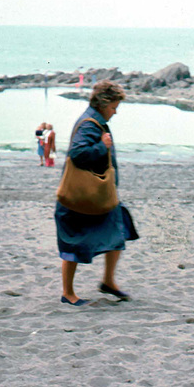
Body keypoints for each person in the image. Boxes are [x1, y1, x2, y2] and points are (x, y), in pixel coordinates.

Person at [55, 80, 138, 306]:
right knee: (73, 241)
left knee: (119, 227)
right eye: (114, 106)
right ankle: (68, 293)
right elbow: (78, 153)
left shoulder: (96, 121)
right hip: (81, 196)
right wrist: (103, 146)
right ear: (103, 103)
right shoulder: (90, 124)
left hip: (97, 196)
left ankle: (108, 281)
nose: (116, 111)